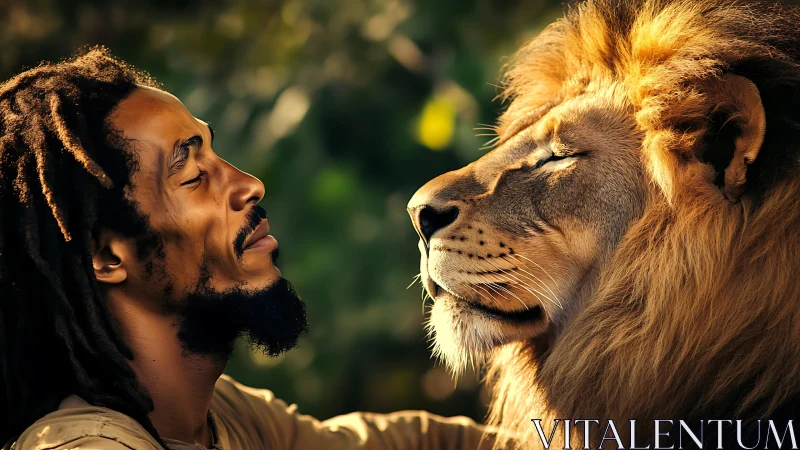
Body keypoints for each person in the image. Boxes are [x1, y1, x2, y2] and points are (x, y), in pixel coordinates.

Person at [0, 48, 493, 450]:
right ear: (108, 257)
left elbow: (406, 442)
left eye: (215, 152)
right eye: (193, 176)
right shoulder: (86, 445)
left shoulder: (222, 418)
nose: (249, 185)